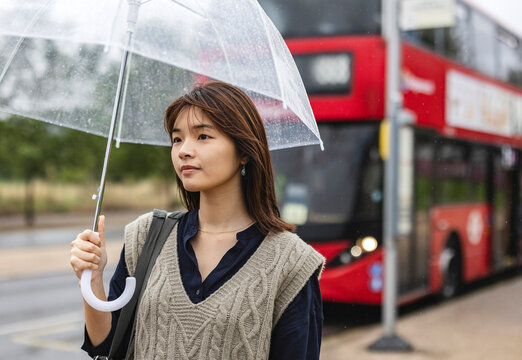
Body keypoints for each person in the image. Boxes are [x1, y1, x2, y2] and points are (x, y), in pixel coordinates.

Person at [70, 81, 325, 359]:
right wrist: (92, 281)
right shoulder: (147, 236)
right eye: (177, 139)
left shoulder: (291, 263)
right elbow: (107, 345)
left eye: (202, 136)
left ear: (243, 151)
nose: (183, 151)